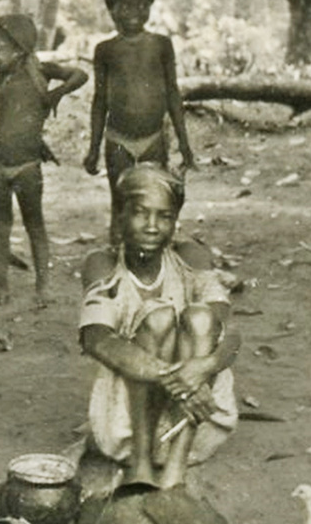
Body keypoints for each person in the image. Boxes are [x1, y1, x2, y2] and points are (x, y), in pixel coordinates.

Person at [79, 164, 239, 490]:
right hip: (126, 424)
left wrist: (204, 366)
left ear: (175, 221)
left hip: (197, 421)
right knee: (158, 316)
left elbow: (229, 333)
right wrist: (180, 379)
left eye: (164, 216)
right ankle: (139, 467)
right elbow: (97, 339)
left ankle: (174, 470)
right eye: (140, 214)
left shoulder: (190, 256)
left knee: (200, 318)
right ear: (120, 215)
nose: (152, 227)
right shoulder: (103, 264)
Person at [82, 0, 194, 245]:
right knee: (120, 205)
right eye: (126, 5)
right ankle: (118, 268)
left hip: (153, 140)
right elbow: (99, 101)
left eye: (142, 5)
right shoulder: (105, 50)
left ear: (150, 7)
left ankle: (153, 265)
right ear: (112, 10)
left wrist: (184, 143)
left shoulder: (161, 45)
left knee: (154, 202)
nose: (135, 11)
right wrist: (94, 148)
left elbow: (172, 94)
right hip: (117, 139)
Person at [0, 13, 88, 308]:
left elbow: (81, 75)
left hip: (27, 166)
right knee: (0, 226)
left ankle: (42, 287)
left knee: (35, 225)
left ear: (18, 49)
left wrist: (57, 93)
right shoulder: (0, 80)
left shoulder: (40, 71)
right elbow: (12, 119)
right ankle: (2, 286)